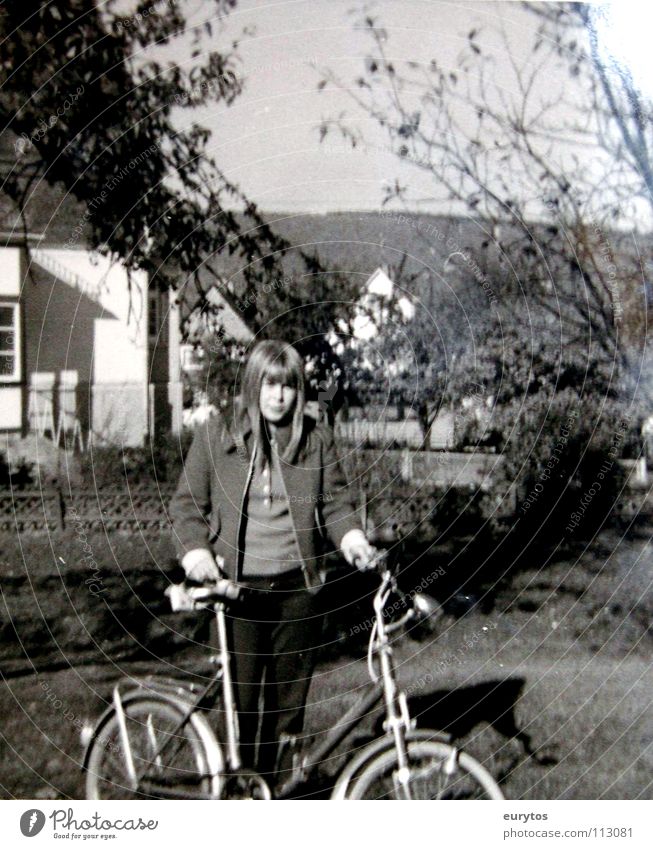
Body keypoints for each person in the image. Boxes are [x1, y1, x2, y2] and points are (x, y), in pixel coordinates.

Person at [169, 339, 376, 781]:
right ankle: (238, 793)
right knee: (239, 706)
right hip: (236, 592)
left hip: (297, 591)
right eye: (268, 384)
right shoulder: (217, 435)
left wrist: (353, 540)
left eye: (287, 386)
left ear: (299, 391)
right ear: (252, 385)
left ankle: (276, 792)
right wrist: (197, 555)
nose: (277, 395)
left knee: (289, 707)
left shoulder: (314, 439)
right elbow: (187, 505)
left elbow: (335, 503)